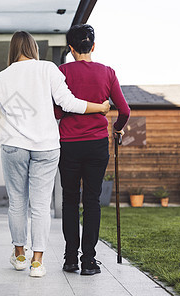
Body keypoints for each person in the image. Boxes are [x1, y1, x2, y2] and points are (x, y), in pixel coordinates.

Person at [0, 31, 110, 277]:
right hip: (46, 146)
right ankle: (37, 262)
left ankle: (19, 255)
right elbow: (67, 103)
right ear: (34, 48)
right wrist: (100, 107)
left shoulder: (1, 77)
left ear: (13, 49)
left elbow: (5, 110)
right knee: (40, 205)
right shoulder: (48, 69)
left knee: (17, 202)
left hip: (14, 144)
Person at [55, 24, 130, 275]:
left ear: (71, 48)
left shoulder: (61, 72)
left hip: (69, 145)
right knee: (92, 201)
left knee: (69, 200)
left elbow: (56, 110)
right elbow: (125, 110)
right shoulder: (107, 72)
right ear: (93, 46)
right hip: (97, 144)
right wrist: (117, 128)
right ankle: (88, 260)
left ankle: (69, 259)